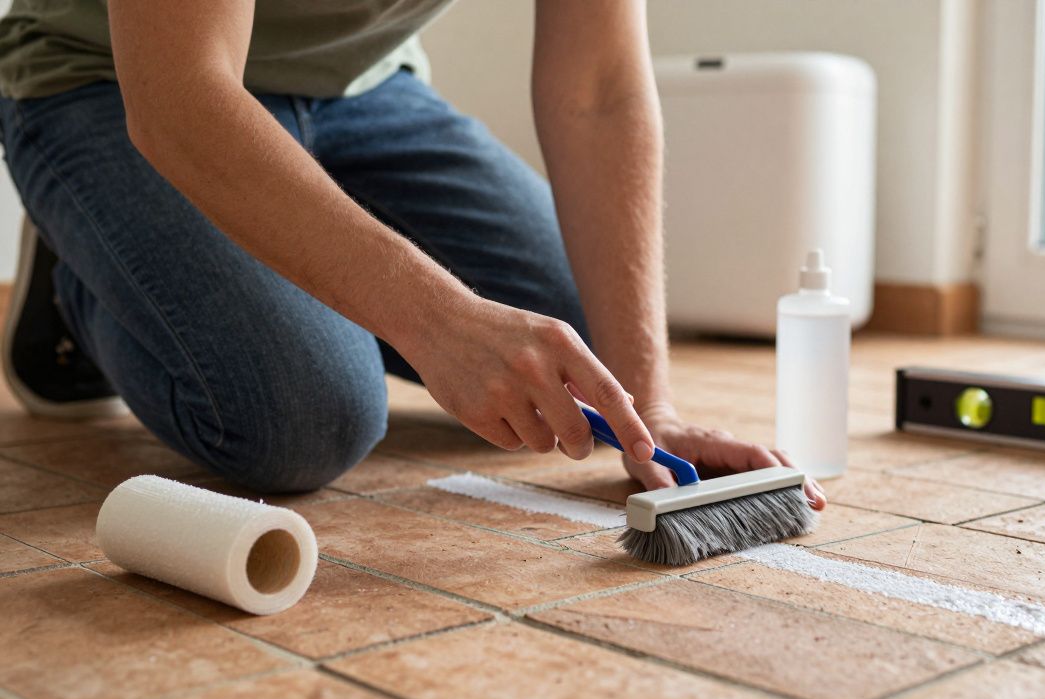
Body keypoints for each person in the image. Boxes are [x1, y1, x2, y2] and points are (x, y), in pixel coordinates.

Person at [0, 0, 825, 509]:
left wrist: (652, 406)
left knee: (571, 354)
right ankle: (83, 271)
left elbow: (600, 89)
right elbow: (182, 95)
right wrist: (437, 319)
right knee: (308, 415)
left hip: (366, 94)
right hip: (111, 81)